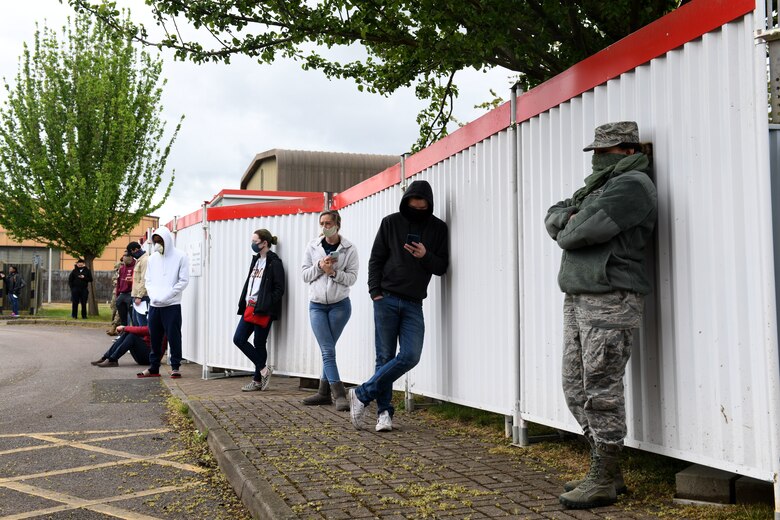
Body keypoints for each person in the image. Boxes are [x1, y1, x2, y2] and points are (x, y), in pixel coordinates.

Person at [544, 121, 657, 509]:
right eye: (595, 152)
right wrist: (572, 217)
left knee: (601, 387)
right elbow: (554, 215)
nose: (597, 158)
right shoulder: (597, 187)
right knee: (574, 386)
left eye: (605, 152)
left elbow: (579, 232)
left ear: (628, 151)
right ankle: (607, 468)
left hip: (611, 296)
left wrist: (572, 222)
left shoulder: (633, 185)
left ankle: (604, 478)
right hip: (579, 295)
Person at [348, 180, 449, 432]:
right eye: (413, 207)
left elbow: (441, 267)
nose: (417, 211)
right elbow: (376, 259)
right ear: (406, 203)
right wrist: (375, 292)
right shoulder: (390, 223)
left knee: (411, 355)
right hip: (386, 299)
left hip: (415, 302)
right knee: (384, 357)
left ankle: (361, 394)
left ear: (429, 205)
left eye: (422, 208)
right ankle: (384, 414)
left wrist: (425, 255)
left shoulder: (438, 228)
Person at [301, 210, 359, 411]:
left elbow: (352, 278)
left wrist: (333, 272)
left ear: (337, 225)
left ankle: (324, 393)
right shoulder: (313, 246)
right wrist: (320, 266)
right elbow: (304, 275)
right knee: (328, 350)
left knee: (328, 350)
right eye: (322, 224)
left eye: (328, 223)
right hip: (316, 306)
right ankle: (339, 394)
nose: (325, 227)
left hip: (340, 306)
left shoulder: (349, 249)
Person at [233, 229, 285, 392]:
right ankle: (264, 369)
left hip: (263, 309)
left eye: (255, 242)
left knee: (259, 342)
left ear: (265, 243)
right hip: (250, 307)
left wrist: (267, 303)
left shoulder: (274, 262)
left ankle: (257, 380)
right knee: (239, 339)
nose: (253, 244)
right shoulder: (256, 260)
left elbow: (279, 288)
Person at [137, 226, 189, 379]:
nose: (157, 244)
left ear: (167, 241)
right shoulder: (152, 258)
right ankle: (154, 367)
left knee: (174, 336)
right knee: (155, 337)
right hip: (155, 305)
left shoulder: (181, 256)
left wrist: (167, 296)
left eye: (160, 241)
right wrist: (153, 296)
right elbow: (148, 280)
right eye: (155, 242)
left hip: (172, 305)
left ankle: (175, 366)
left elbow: (183, 281)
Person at [90, 324, 167, 367]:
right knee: (128, 333)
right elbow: (142, 330)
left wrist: (124, 328)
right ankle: (106, 357)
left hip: (151, 358)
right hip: (147, 355)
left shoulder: (161, 323)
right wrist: (125, 329)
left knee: (132, 336)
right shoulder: (158, 320)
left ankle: (112, 360)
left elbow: (144, 330)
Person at [128, 240, 150, 326]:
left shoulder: (145, 260)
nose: (131, 255)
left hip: (142, 297)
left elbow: (145, 279)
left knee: (142, 323)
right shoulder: (139, 260)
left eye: (131, 252)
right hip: (137, 296)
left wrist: (139, 296)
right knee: (136, 322)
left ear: (136, 249)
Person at [115, 252, 135, 326]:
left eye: (126, 256)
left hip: (131, 294)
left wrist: (130, 282)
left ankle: (134, 331)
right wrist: (117, 294)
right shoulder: (122, 268)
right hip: (122, 294)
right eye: (123, 256)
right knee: (123, 318)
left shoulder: (135, 267)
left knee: (133, 317)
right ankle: (124, 330)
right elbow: (118, 282)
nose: (124, 258)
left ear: (131, 257)